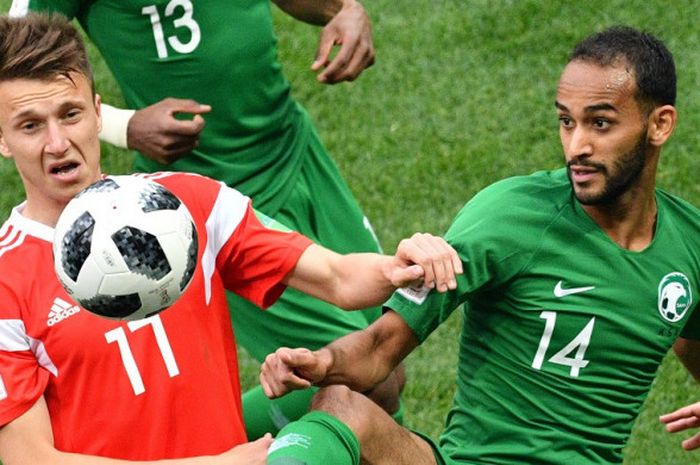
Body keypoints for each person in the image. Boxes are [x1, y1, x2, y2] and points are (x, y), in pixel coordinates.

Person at [0, 13, 462, 465]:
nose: (58, 142)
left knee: (363, 388)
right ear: (2, 139)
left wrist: (399, 265)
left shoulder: (187, 205)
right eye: (30, 125)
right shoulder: (6, 281)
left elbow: (336, 276)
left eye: (71, 114)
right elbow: (29, 457)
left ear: (98, 113)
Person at [258, 25, 700, 465]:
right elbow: (379, 351)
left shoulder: (688, 245)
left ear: (659, 124)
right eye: (567, 121)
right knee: (340, 405)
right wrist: (322, 361)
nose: (576, 147)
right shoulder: (512, 216)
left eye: (600, 124)